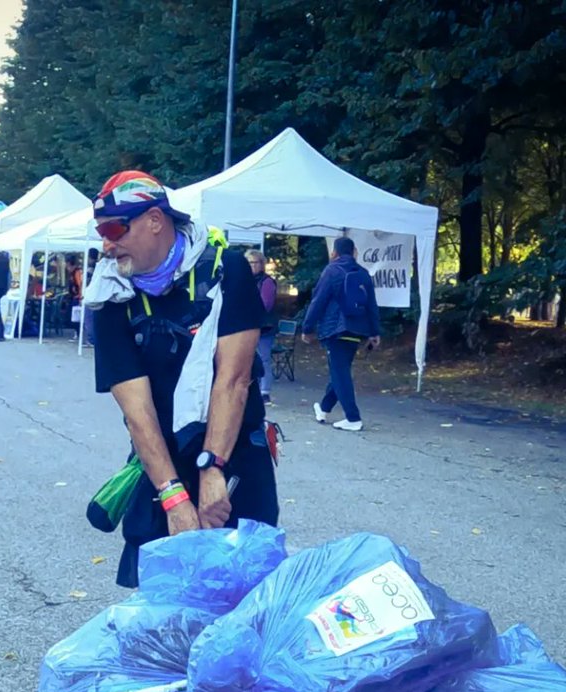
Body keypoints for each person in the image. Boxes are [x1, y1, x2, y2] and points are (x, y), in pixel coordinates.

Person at [86, 169, 279, 588]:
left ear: (155, 220)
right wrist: (174, 497)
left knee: (246, 589)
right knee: (162, 602)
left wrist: (212, 469)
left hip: (234, 451)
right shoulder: (108, 296)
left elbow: (234, 379)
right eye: (100, 230)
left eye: (115, 228)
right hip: (161, 461)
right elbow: (137, 410)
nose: (106, 243)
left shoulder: (226, 269)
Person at [302, 236, 381, 432]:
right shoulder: (363, 273)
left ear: (333, 253)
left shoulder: (332, 270)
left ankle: (353, 418)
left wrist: (307, 328)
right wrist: (374, 332)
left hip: (335, 330)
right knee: (340, 371)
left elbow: (318, 301)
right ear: (355, 252)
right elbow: (372, 304)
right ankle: (324, 408)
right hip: (357, 330)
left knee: (340, 373)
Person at [245, 249, 278, 404]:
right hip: (247, 326)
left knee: (264, 358)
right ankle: (251, 389)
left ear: (261, 264)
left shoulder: (267, 282)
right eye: (249, 262)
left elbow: (266, 305)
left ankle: (265, 392)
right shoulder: (244, 280)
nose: (252, 266)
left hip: (264, 327)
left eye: (255, 262)